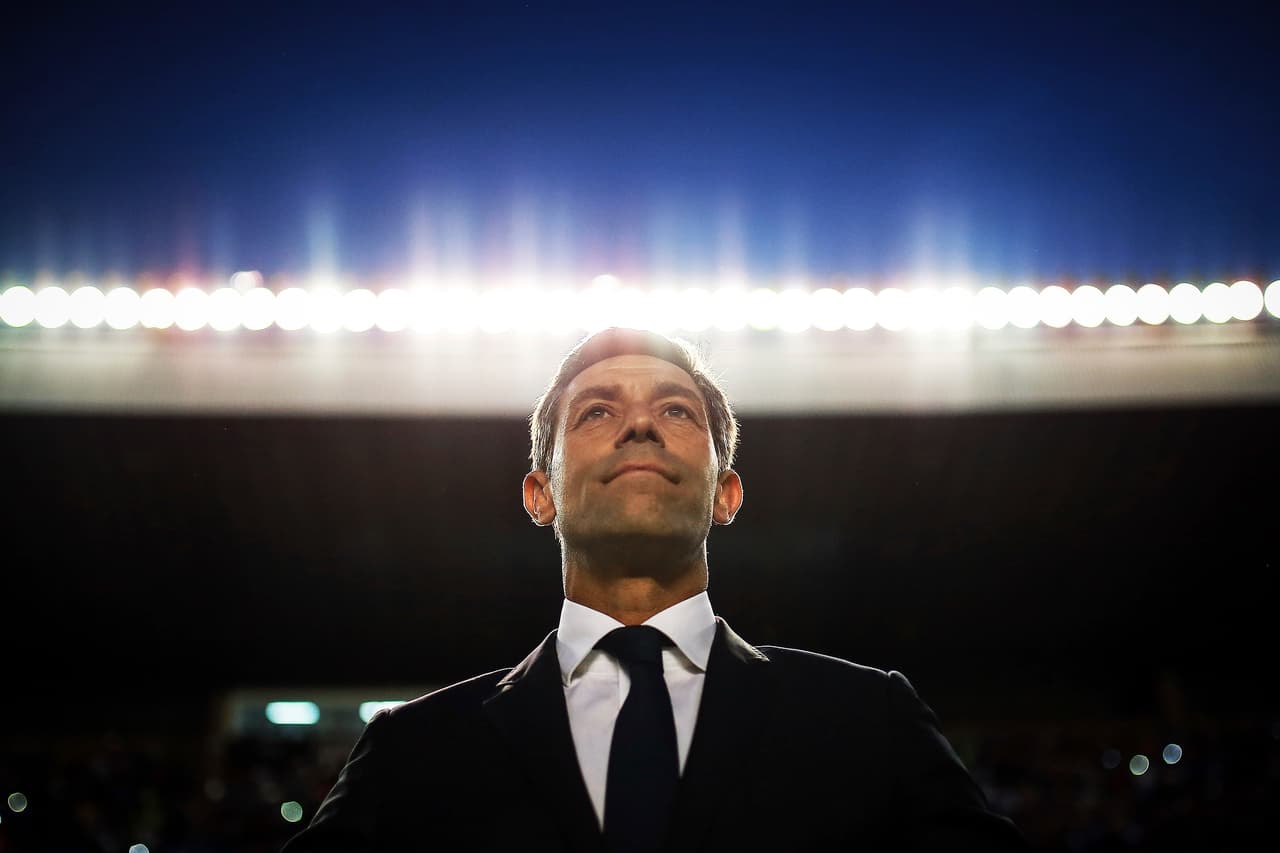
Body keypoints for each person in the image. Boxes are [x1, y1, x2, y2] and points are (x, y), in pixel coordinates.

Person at [281, 326, 1028, 852]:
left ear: (725, 494)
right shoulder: (412, 750)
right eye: (597, 410)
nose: (639, 424)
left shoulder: (871, 720)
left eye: (675, 409)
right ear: (540, 494)